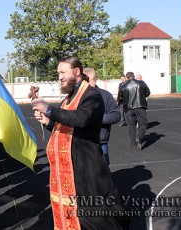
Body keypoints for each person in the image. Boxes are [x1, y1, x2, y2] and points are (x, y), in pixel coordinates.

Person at [32, 57, 129, 230]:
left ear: (76, 72)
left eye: (63, 72)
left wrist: (49, 109)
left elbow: (81, 119)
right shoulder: (68, 98)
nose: (59, 77)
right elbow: (64, 128)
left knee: (93, 215)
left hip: (86, 166)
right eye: (58, 73)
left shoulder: (92, 95)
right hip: (69, 167)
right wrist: (48, 121)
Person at [84, 67, 120, 166]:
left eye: (89, 82)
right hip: (81, 143)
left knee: (103, 172)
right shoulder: (75, 96)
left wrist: (98, 118)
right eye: (84, 82)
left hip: (100, 142)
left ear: (95, 80)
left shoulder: (105, 96)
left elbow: (116, 115)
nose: (86, 85)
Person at [121, 72, 150, 150]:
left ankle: (133, 144)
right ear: (133, 77)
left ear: (126, 78)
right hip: (140, 107)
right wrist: (142, 97)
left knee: (131, 126)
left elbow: (120, 98)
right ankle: (139, 139)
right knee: (143, 123)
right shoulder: (141, 83)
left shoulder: (123, 86)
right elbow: (148, 93)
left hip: (128, 109)